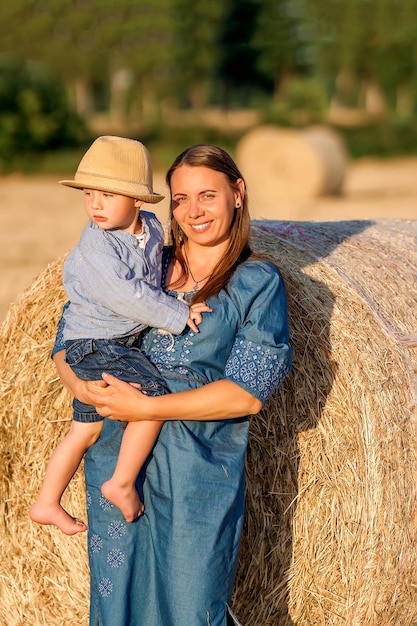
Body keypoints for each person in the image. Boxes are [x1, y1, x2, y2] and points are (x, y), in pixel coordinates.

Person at [51, 144, 292, 625]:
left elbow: (245, 393)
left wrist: (147, 409)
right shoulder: (146, 264)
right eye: (180, 199)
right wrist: (74, 381)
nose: (193, 211)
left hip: (195, 468)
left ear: (238, 193)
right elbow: (71, 331)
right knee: (116, 604)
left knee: (190, 607)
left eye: (208, 195)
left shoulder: (256, 282)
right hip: (116, 458)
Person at [29, 136, 209, 535]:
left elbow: (155, 271)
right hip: (95, 345)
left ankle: (46, 501)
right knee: (152, 396)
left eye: (107, 195)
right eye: (88, 194)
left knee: (86, 429)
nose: (94, 204)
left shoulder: (150, 229)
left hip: (106, 344)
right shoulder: (97, 246)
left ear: (138, 201)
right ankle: (121, 482)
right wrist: (178, 313)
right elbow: (129, 296)